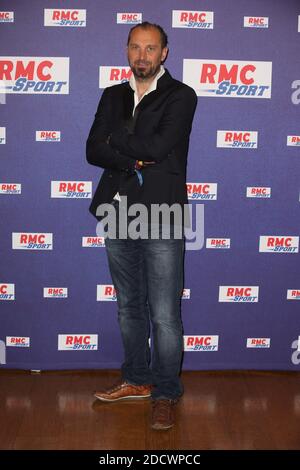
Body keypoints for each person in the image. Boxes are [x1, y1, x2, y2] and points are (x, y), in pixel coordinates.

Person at [86, 21, 197, 430]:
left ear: (164, 53)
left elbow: (158, 147)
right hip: (116, 211)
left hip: (162, 212)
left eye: (151, 48)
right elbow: (91, 149)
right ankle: (136, 380)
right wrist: (131, 158)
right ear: (127, 50)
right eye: (135, 47)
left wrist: (116, 141)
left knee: (165, 314)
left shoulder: (181, 96)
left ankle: (165, 391)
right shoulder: (113, 95)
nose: (142, 55)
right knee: (128, 306)